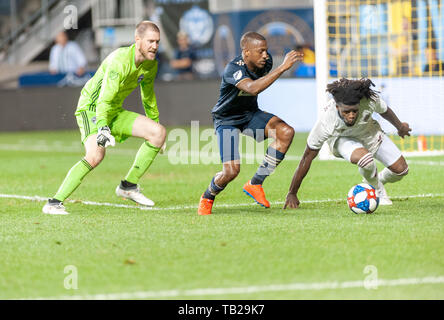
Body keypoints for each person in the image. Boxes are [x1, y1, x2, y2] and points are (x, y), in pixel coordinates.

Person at [42, 21, 166, 215]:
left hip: (113, 110)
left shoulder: (151, 64)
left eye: (157, 42)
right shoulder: (119, 61)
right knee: (95, 155)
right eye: (151, 41)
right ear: (137, 40)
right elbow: (104, 99)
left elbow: (148, 95)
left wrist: (154, 121)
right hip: (91, 109)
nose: (155, 46)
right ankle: (53, 203)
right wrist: (102, 128)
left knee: (158, 133)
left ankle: (128, 186)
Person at [197, 31, 303, 215]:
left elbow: (260, 82)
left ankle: (255, 184)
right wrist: (282, 67)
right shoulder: (233, 69)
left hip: (250, 114)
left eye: (266, 51)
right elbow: (252, 88)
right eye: (260, 51)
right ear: (246, 52)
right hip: (227, 119)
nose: (265, 55)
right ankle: (208, 196)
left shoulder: (266, 62)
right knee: (231, 172)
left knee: (286, 132)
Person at [284, 78, 411, 210]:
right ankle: (378, 190)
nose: (351, 116)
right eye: (346, 112)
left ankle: (374, 180)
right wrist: (292, 192)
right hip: (342, 139)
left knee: (402, 170)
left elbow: (385, 111)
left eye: (354, 111)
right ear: (337, 106)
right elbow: (307, 157)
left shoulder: (370, 100)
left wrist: (400, 127)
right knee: (365, 159)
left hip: (369, 133)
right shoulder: (327, 120)